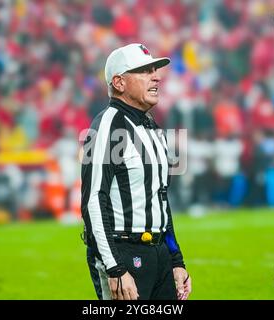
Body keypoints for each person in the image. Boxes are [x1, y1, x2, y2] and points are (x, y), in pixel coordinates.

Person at [81, 43, 191, 300]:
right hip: (123, 253)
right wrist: (115, 267)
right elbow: (93, 201)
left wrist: (175, 259)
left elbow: (160, 198)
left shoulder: (152, 126)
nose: (156, 77)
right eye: (144, 71)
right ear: (119, 82)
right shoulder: (105, 127)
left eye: (155, 70)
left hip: (159, 251)